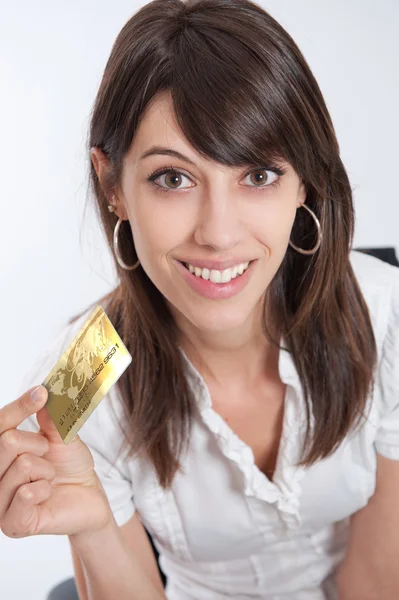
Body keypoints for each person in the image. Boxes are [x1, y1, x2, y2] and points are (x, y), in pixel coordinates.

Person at [2, 0, 399, 598]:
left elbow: (374, 578)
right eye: (173, 178)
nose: (218, 233)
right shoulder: (76, 383)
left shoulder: (386, 316)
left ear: (305, 183)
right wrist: (92, 528)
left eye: (258, 175)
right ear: (114, 185)